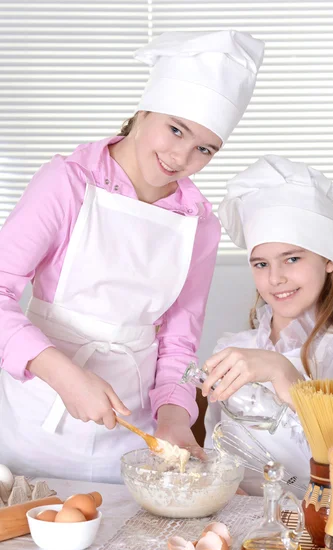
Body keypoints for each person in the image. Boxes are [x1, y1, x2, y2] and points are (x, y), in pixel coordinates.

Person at [0, 30, 265, 483]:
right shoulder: (66, 183)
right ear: (144, 110)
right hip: (35, 421)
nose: (181, 156)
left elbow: (179, 342)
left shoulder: (198, 222)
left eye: (205, 148)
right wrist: (63, 375)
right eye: (175, 129)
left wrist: (175, 421)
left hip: (131, 437)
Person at [203, 155, 333, 495]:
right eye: (261, 263)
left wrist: (281, 372)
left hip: (315, 530)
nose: (276, 278)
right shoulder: (232, 347)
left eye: (292, 258)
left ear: (329, 258)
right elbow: (216, 451)